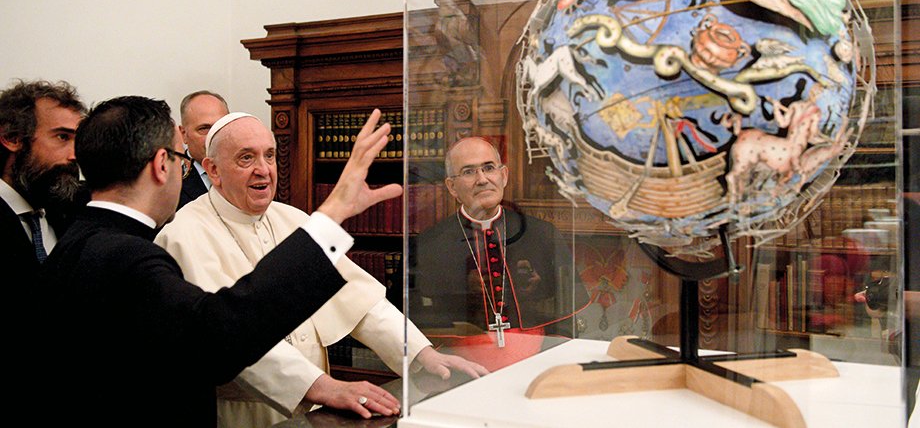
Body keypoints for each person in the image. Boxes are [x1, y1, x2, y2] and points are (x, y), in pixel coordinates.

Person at [38, 97, 402, 426]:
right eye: (183, 161)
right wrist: (333, 213)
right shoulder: (133, 257)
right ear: (163, 164)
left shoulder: (73, 242)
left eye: (269, 156)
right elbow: (220, 335)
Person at [156, 112, 488, 427]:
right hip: (241, 414)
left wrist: (422, 355)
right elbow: (232, 337)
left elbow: (360, 302)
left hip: (317, 408)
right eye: (246, 158)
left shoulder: (293, 219)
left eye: (269, 156)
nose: (263, 169)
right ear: (213, 170)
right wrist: (323, 386)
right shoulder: (184, 233)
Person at [411, 137, 591, 371]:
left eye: (488, 168)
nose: (482, 179)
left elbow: (564, 318)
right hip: (459, 374)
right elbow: (417, 322)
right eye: (468, 172)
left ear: (503, 175)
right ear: (452, 187)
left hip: (537, 367)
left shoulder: (542, 234)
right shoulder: (429, 245)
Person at [0, 80, 86, 310]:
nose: (75, 155)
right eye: (62, 137)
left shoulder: (75, 211)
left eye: (80, 139)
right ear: (12, 138)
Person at [177, 90, 230, 209]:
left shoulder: (246, 174)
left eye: (220, 126)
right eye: (204, 128)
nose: (214, 135)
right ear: (184, 134)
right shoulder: (172, 185)